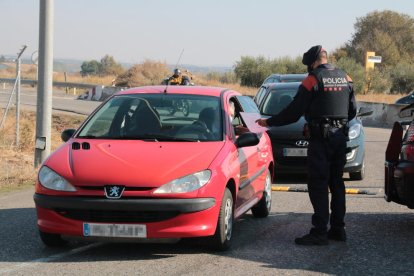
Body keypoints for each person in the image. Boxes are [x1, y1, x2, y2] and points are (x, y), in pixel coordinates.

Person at [256, 45, 357, 246]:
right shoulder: (346, 77)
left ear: (312, 63)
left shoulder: (313, 79)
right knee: (336, 183)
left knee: (318, 184)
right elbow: (352, 111)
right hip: (340, 138)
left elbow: (294, 111)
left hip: (321, 140)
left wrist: (269, 122)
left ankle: (319, 232)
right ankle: (338, 229)